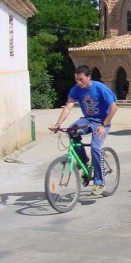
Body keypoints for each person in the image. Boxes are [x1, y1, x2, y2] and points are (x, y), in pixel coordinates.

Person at [49, 65, 118, 195]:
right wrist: (58, 123)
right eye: (76, 80)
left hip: (102, 121)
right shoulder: (76, 90)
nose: (78, 82)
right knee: (71, 130)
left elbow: (114, 108)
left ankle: (99, 182)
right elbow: (68, 107)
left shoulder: (99, 88)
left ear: (88, 77)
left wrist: (103, 125)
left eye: (81, 79)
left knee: (95, 148)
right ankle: (83, 159)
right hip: (87, 120)